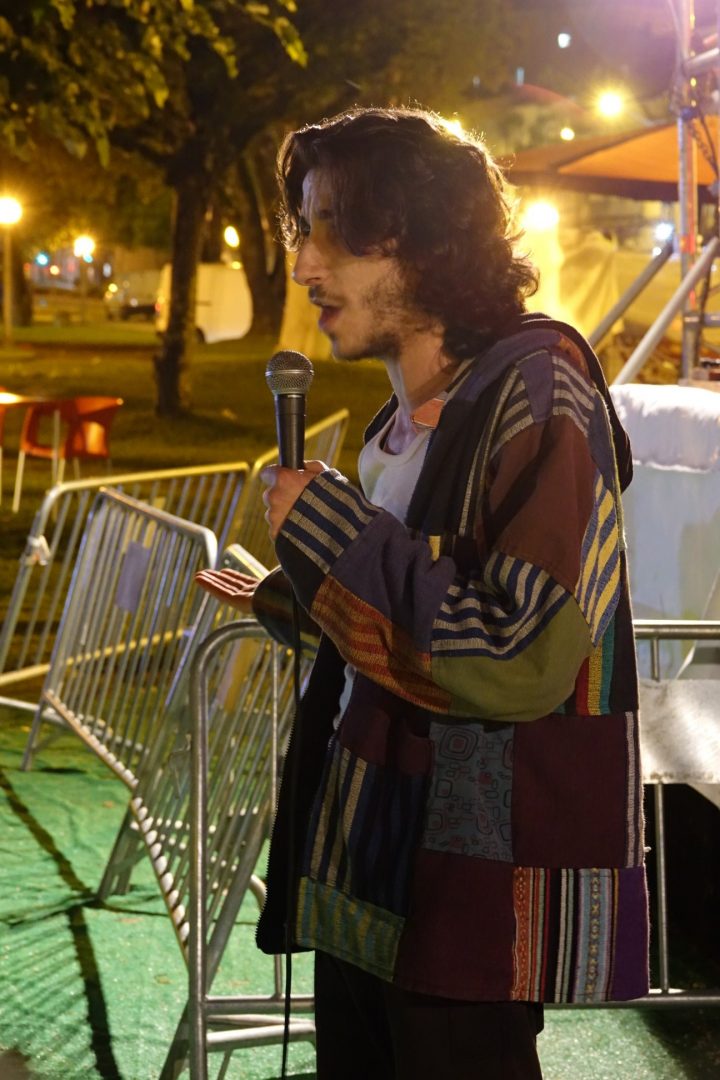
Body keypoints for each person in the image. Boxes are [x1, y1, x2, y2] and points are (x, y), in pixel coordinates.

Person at [196, 106, 649, 1080]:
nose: (304, 266)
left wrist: (333, 533)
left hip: (469, 889)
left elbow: (519, 654)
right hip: (374, 860)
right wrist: (298, 597)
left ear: (424, 239)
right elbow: (421, 608)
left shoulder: (542, 392)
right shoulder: (398, 424)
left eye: (334, 231)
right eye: (302, 230)